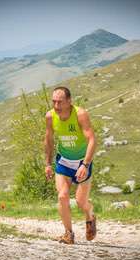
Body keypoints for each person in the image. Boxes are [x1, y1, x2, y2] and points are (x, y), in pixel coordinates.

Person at [44, 86, 96, 244]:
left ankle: (91, 215)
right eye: (54, 102)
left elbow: (92, 140)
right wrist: (47, 164)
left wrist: (85, 164)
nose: (56, 106)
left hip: (82, 162)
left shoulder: (80, 114)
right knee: (62, 196)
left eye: (60, 102)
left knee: (81, 202)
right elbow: (48, 140)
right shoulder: (50, 116)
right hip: (64, 161)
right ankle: (68, 234)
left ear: (69, 101)